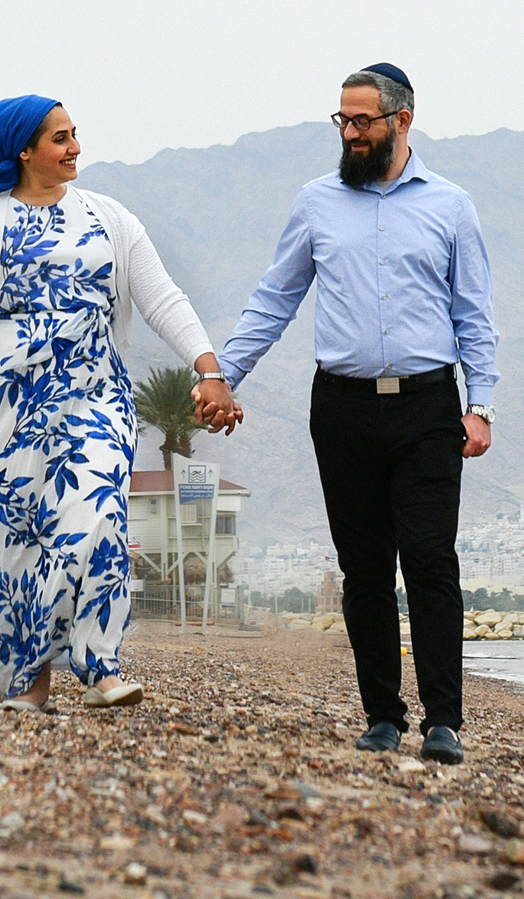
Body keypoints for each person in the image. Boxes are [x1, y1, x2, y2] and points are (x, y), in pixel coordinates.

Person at [0, 95, 234, 711]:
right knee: (11, 544)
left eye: (74, 134)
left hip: (94, 398)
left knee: (97, 519)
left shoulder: (109, 218)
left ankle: (100, 665)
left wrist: (208, 366)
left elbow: (162, 295)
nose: (75, 147)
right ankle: (28, 682)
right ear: (24, 151)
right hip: (2, 408)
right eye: (60, 138)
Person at [206, 64, 496, 764]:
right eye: (342, 120)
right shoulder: (316, 202)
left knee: (430, 561)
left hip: (429, 404)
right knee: (364, 567)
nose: (350, 131)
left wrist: (480, 402)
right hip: (341, 408)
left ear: (401, 121)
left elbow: (474, 311)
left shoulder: (451, 205)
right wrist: (222, 374)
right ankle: (382, 716)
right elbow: (276, 297)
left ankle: (444, 722)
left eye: (362, 120)